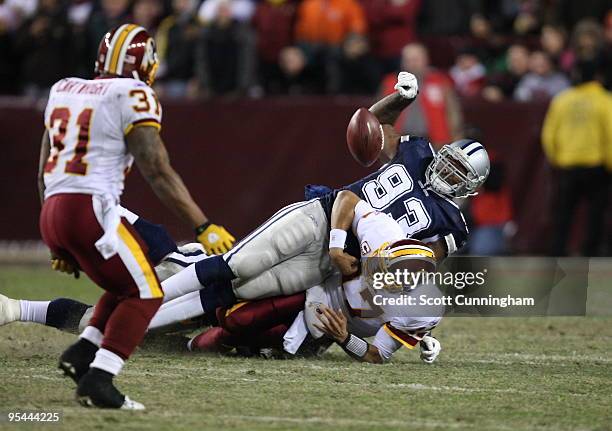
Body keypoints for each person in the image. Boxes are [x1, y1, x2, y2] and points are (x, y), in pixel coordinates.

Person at [155, 72, 489, 318]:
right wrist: (401, 99)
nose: (448, 172)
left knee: (241, 290)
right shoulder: (417, 152)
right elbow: (371, 125)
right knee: (240, 263)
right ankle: (146, 298)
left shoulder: (453, 223)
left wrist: (378, 278)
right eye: (450, 163)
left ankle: (147, 321)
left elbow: (422, 263)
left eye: (459, 173)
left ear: (470, 186)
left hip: (338, 263)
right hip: (321, 217)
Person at [38, 24, 234, 409]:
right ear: (143, 64)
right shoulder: (133, 93)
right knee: (146, 293)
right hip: (91, 209)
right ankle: (101, 378)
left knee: (133, 272)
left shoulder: (64, 88)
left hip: (54, 207)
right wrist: (203, 225)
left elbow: (44, 164)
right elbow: (157, 170)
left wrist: (53, 238)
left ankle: (83, 352)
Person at [541, 60, 612, 256]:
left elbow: (549, 134)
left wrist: (556, 158)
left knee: (563, 214)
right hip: (596, 165)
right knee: (595, 214)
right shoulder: (605, 100)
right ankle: (591, 252)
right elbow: (610, 134)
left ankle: (557, 251)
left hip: (567, 165)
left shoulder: (562, 100)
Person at [380, 43, 464, 148]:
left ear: (426, 59)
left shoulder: (440, 81)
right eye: (409, 60)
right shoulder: (390, 83)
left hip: (435, 142)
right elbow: (381, 116)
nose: (413, 64)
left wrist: (456, 138)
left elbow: (453, 112)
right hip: (400, 142)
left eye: (416, 59)